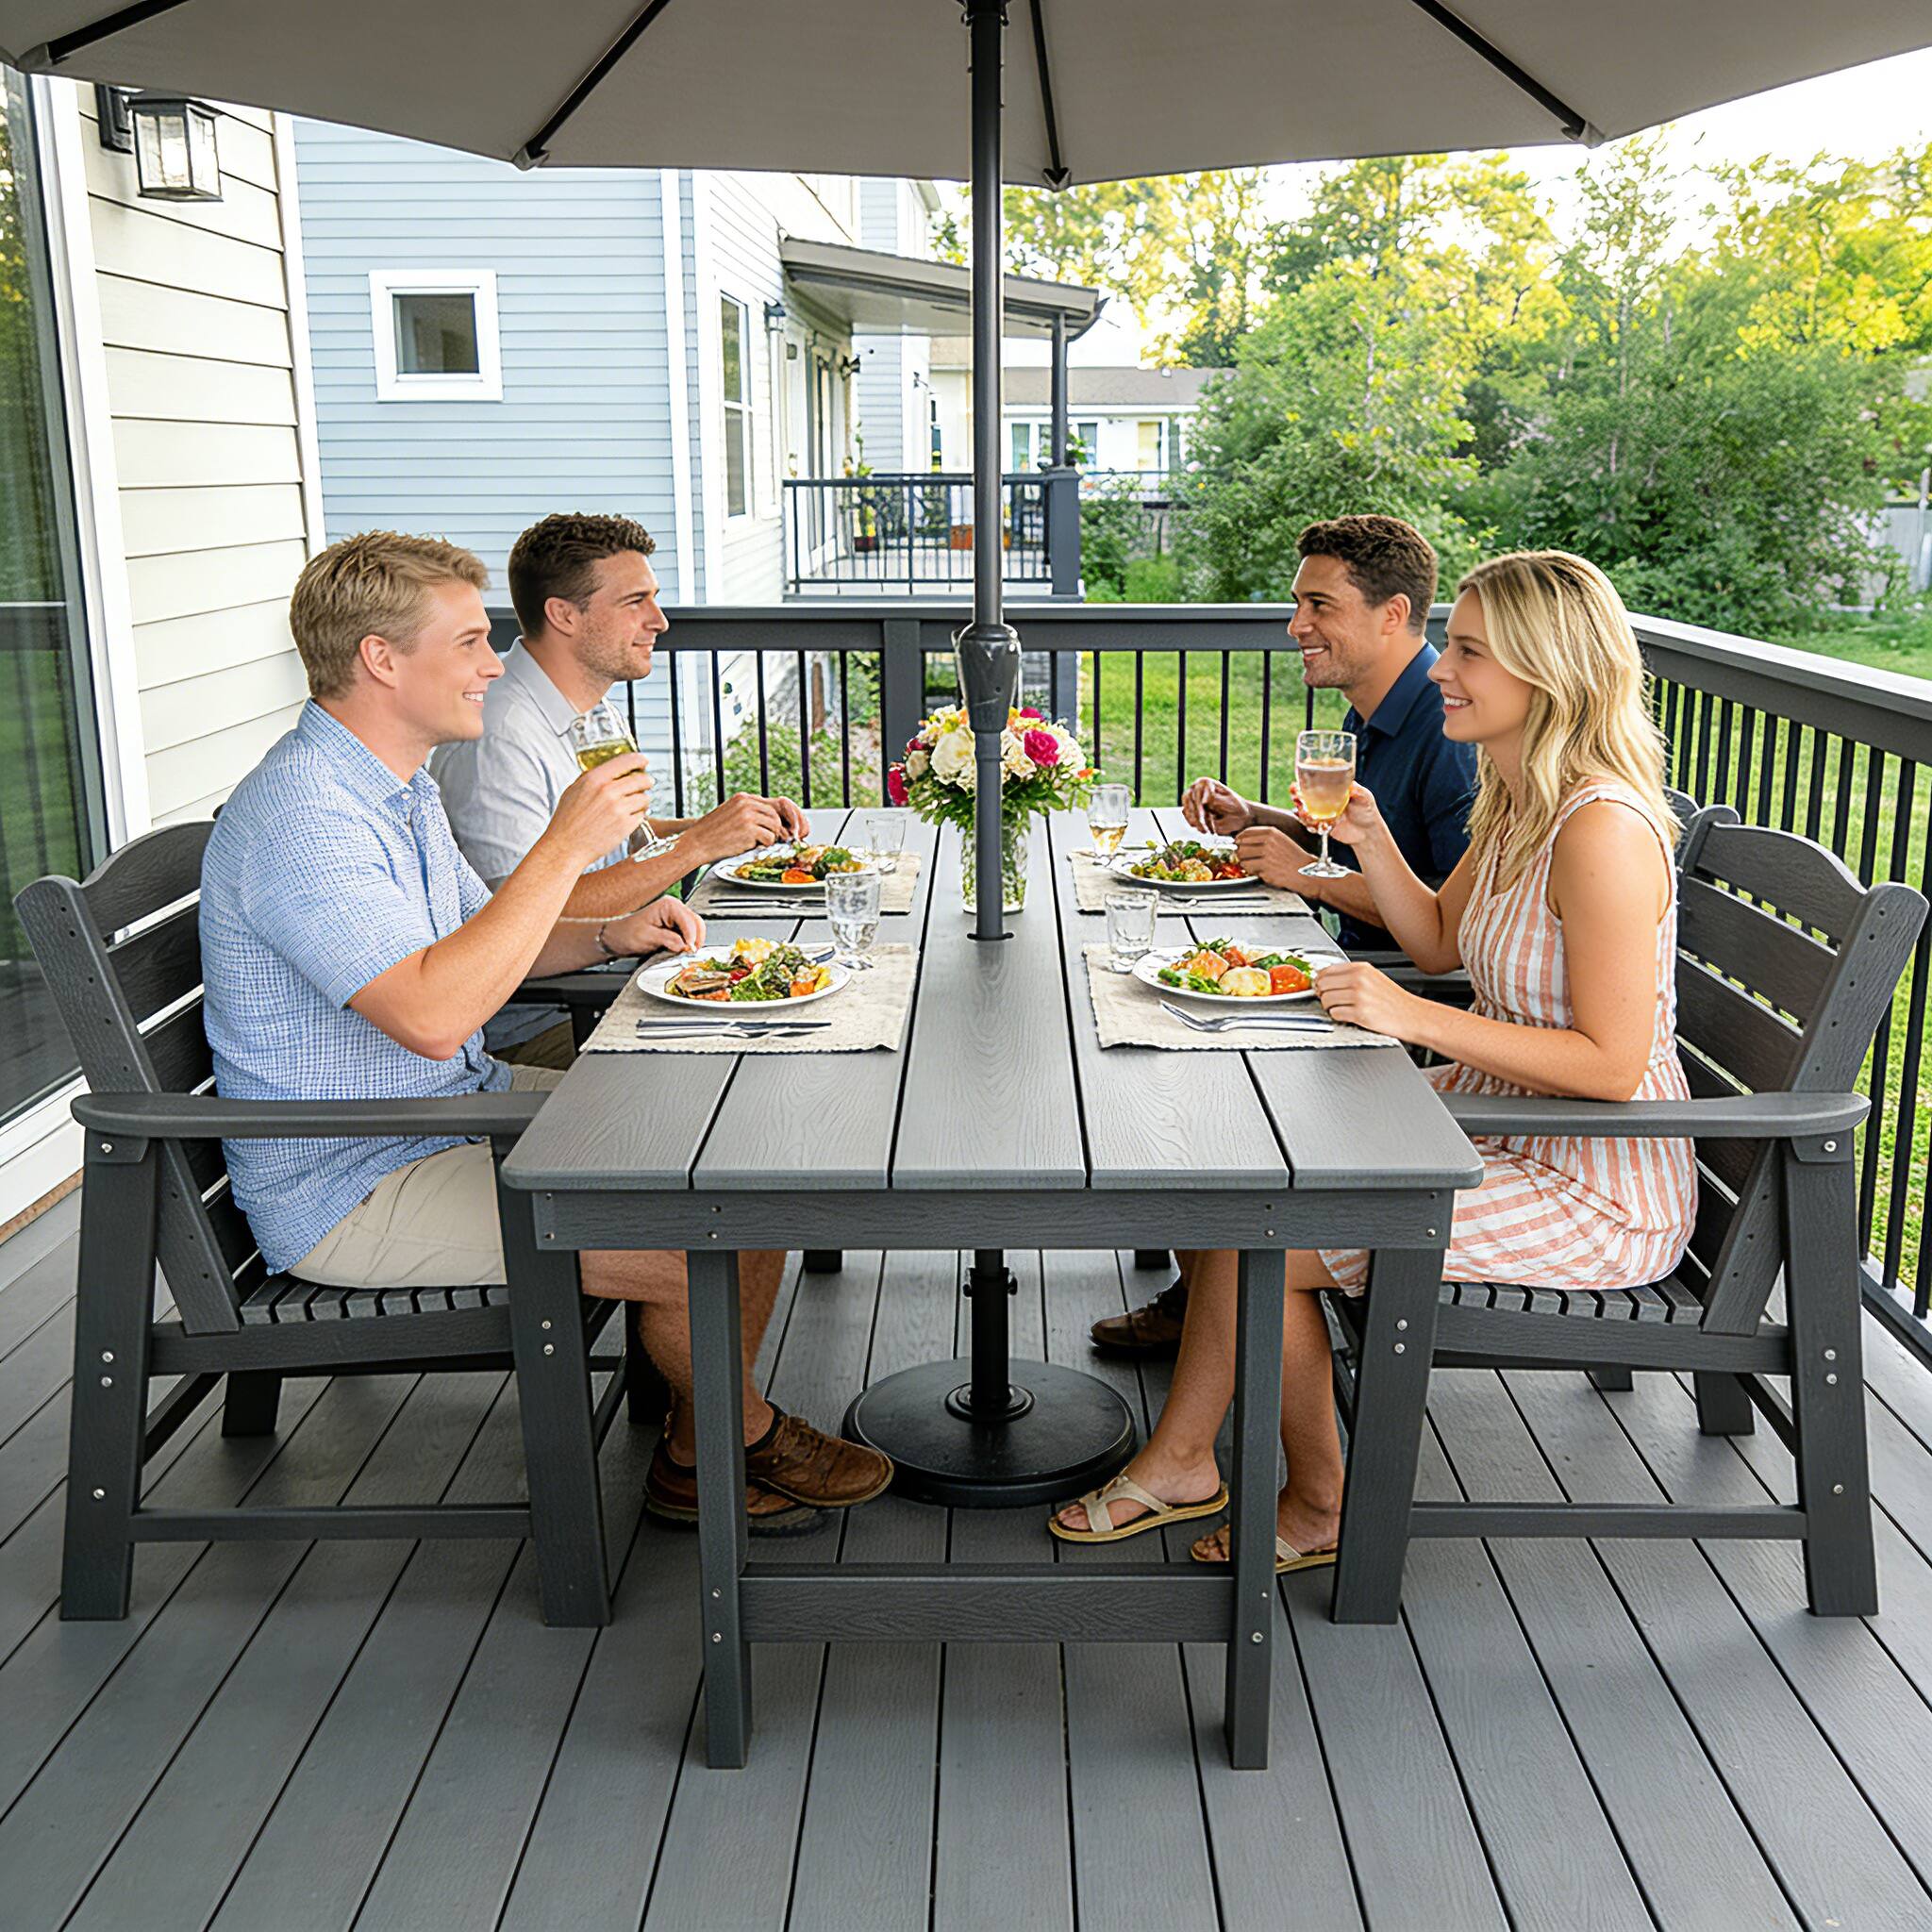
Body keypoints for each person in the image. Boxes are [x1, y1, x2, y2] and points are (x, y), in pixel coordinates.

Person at [202, 531, 891, 1536]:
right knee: (702, 1223)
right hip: (354, 1176)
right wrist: (568, 843)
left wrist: (605, 931)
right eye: (470, 642)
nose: (494, 662)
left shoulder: (388, 785)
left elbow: (475, 943)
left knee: (741, 1159)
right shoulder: (309, 817)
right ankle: (736, 1437)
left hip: (443, 1115)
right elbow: (436, 1014)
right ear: (382, 660)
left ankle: (702, 1448)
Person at [1053, 550, 1694, 1571]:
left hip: (1590, 1177)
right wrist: (1369, 838)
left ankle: (1306, 1500)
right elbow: (1441, 939)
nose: (1442, 668)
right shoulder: (1521, 790)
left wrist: (1411, 1017)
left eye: (1471, 652)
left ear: (1549, 670)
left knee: (1258, 1231)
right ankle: (1191, 1458)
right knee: (1231, 1164)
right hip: (1483, 1123)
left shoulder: (1599, 829)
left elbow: (1612, 1066)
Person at [1092, 513, 1477, 1358]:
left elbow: (1453, 920)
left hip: (1402, 1013)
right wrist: (1266, 820)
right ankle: (1206, 1299)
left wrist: (1305, 876)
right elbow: (1372, 850)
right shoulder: (1385, 714)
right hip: (1352, 979)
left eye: (1318, 605)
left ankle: (1216, 1298)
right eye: (1297, 603)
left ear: (1392, 614)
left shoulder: (1451, 737)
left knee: (1179, 1067)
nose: (1295, 625)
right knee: (1165, 1035)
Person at [432, 511, 808, 1064]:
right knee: (772, 1052)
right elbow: (521, 914)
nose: (658, 620)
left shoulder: (589, 707)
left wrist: (728, 829)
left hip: (618, 975)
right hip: (550, 1024)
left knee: (792, 996)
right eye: (635, 602)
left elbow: (613, 841)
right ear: (563, 614)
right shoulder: (499, 736)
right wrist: (696, 846)